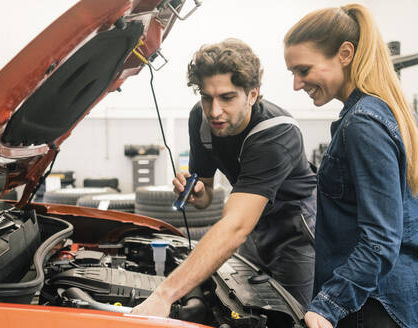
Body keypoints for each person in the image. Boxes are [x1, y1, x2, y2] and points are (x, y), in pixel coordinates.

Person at [132, 38, 317, 316]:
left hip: (294, 233)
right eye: (207, 97)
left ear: (252, 95)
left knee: (290, 317)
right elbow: (205, 194)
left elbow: (235, 226)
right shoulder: (202, 119)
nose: (214, 111)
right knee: (240, 307)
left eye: (228, 97)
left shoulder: (276, 134)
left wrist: (165, 294)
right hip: (252, 227)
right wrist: (197, 194)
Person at [283, 3, 418, 328]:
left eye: (304, 70)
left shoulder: (363, 124)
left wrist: (327, 306)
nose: (297, 84)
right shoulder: (396, 112)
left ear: (345, 53)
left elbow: (380, 239)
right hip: (405, 297)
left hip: (374, 304)